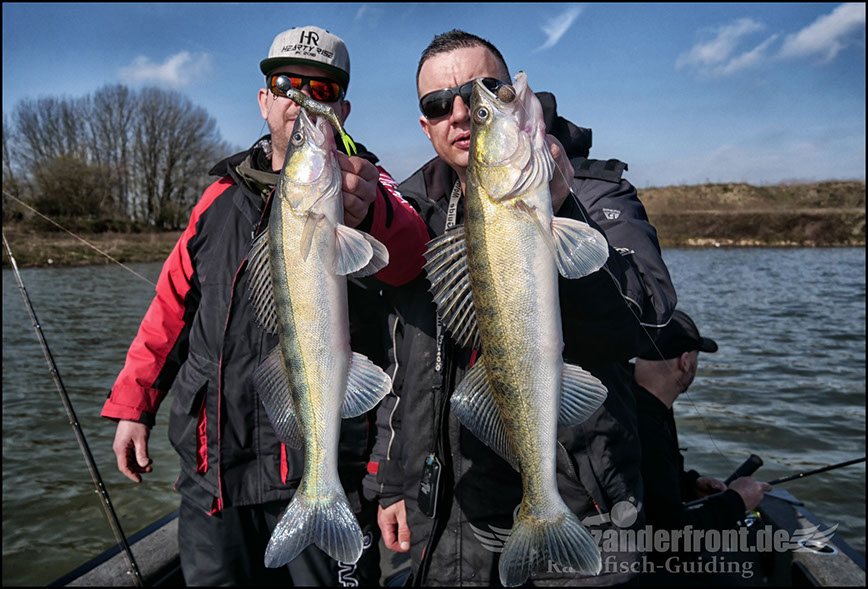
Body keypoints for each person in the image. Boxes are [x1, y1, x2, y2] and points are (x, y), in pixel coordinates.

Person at [101, 25, 429, 586]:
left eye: (320, 91)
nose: (301, 100)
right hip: (213, 475)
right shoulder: (217, 199)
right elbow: (170, 308)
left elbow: (413, 255)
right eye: (286, 84)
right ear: (264, 98)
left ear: (343, 110)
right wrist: (134, 405)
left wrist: (370, 212)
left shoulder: (368, 188)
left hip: (320, 465)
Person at [362, 30, 678, 586]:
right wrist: (392, 484)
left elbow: (649, 316)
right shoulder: (415, 215)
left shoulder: (597, 191)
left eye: (484, 92)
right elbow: (400, 359)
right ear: (425, 125)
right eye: (439, 104)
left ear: (518, 97)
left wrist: (563, 205)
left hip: (587, 509)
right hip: (452, 518)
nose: (461, 112)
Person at [632, 310, 771, 582]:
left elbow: (647, 481)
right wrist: (736, 501)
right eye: (696, 357)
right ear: (685, 361)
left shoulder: (634, 400)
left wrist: (689, 484)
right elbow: (672, 540)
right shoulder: (644, 425)